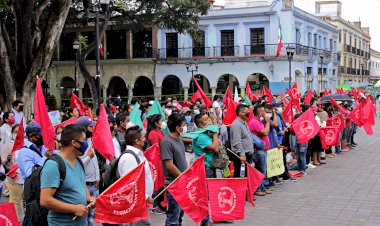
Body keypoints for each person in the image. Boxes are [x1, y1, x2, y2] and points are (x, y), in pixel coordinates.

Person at [40, 124, 95, 225]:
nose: (86, 144)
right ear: (74, 143)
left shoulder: (78, 161)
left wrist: (89, 198)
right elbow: (45, 200)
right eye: (84, 140)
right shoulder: (53, 165)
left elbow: (82, 185)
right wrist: (73, 209)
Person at [115, 126, 154, 225]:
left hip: (141, 205)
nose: (145, 140)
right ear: (137, 141)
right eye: (144, 138)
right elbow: (129, 184)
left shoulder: (138, 155)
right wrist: (146, 197)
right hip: (135, 207)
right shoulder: (129, 158)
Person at [161, 113, 188, 226]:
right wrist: (183, 177)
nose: (185, 126)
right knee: (173, 217)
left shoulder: (179, 139)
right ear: (177, 128)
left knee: (179, 215)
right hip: (173, 183)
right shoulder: (167, 142)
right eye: (184, 124)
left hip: (181, 182)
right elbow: (169, 165)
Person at [193, 113, 219, 226]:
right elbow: (215, 148)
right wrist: (215, 134)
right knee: (205, 195)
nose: (209, 120)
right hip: (205, 168)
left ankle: (212, 217)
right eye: (206, 119)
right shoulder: (200, 136)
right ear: (200, 124)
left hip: (210, 166)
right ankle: (205, 220)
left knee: (210, 194)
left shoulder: (205, 133)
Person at [76, 116, 99, 226]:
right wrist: (88, 157)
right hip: (85, 185)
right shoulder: (79, 145)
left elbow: (95, 163)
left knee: (92, 215)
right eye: (90, 127)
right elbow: (77, 165)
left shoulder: (90, 141)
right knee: (87, 216)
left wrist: (97, 177)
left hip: (94, 184)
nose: (93, 129)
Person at [230, 104, 254, 177]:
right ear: (240, 113)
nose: (248, 113)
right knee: (240, 175)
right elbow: (237, 141)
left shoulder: (243, 123)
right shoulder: (236, 125)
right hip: (241, 156)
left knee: (246, 175)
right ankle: (239, 188)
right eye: (246, 112)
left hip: (247, 154)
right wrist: (242, 154)